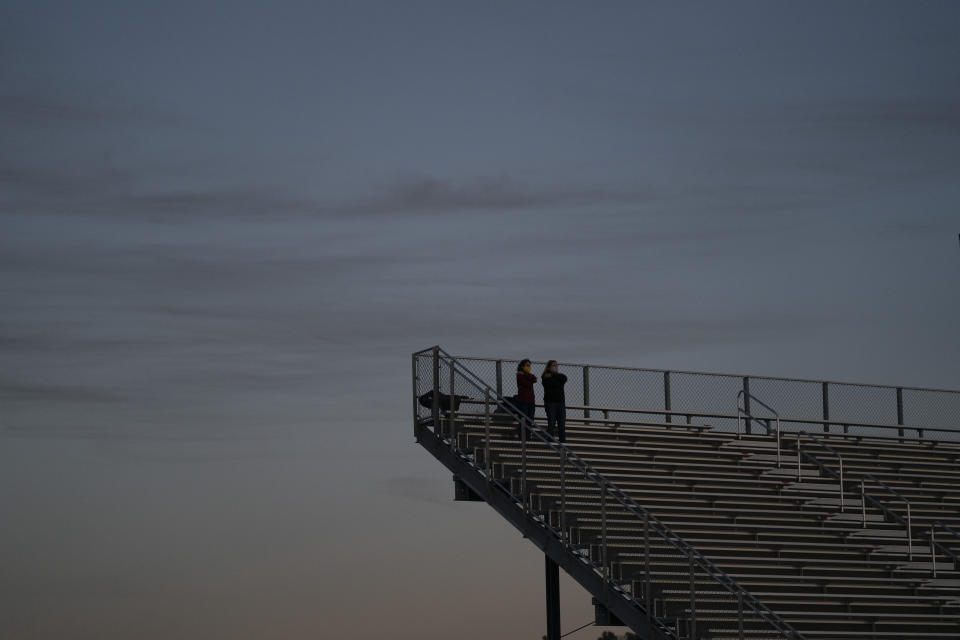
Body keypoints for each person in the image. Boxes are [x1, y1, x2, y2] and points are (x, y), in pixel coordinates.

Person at [541, 360, 567, 442]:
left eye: (556, 365)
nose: (555, 367)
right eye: (553, 365)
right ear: (549, 367)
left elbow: (564, 378)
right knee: (551, 422)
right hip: (550, 403)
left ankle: (562, 441)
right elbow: (551, 383)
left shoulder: (559, 376)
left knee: (561, 423)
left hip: (560, 403)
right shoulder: (545, 377)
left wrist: (553, 378)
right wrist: (556, 380)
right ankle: (550, 440)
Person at [514, 358, 537, 437]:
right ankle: (522, 437)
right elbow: (527, 384)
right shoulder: (519, 375)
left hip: (531, 401)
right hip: (523, 401)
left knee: (530, 420)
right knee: (523, 419)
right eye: (527, 365)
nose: (529, 367)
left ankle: (527, 436)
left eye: (529, 366)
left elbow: (534, 379)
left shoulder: (524, 375)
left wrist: (526, 375)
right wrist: (528, 377)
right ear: (522, 366)